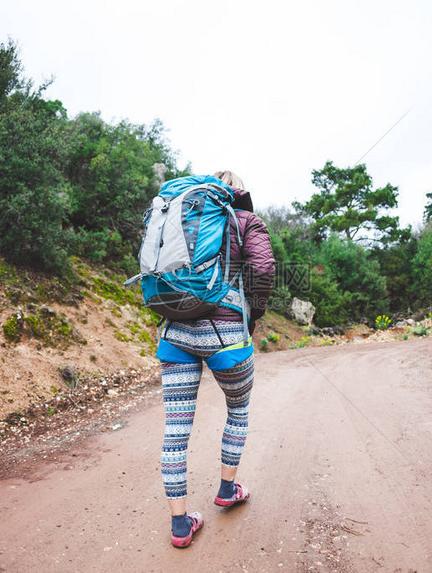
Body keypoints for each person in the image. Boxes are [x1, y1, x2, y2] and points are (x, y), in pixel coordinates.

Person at [156, 170, 275, 548]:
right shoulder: (245, 220)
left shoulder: (180, 215)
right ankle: (227, 488)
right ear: (238, 190)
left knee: (175, 432)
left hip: (175, 332)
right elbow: (263, 270)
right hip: (226, 335)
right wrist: (250, 316)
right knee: (238, 410)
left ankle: (180, 526)